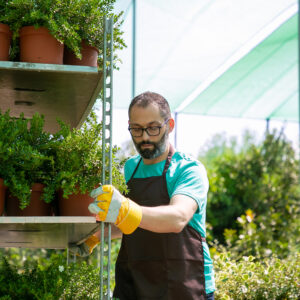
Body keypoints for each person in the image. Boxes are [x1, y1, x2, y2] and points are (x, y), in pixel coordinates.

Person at [71, 91, 215, 300]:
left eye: (153, 128)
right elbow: (134, 222)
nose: (145, 137)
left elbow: (178, 218)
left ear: (170, 125)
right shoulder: (131, 168)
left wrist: (125, 208)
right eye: (137, 129)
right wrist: (96, 237)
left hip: (184, 283)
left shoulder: (187, 169)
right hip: (138, 282)